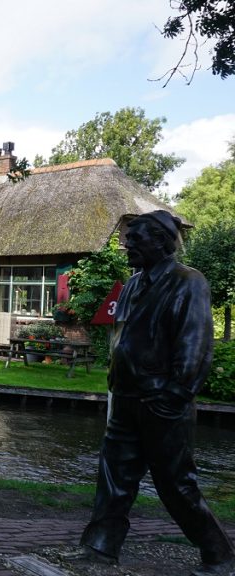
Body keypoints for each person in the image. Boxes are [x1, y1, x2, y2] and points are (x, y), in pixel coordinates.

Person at [69, 210, 234, 576]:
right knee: (113, 475)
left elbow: (195, 343)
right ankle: (100, 547)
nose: (127, 245)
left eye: (135, 239)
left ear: (160, 241)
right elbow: (123, 337)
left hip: (163, 400)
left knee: (175, 483)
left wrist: (177, 393)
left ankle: (219, 554)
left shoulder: (188, 282)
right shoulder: (131, 285)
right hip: (126, 398)